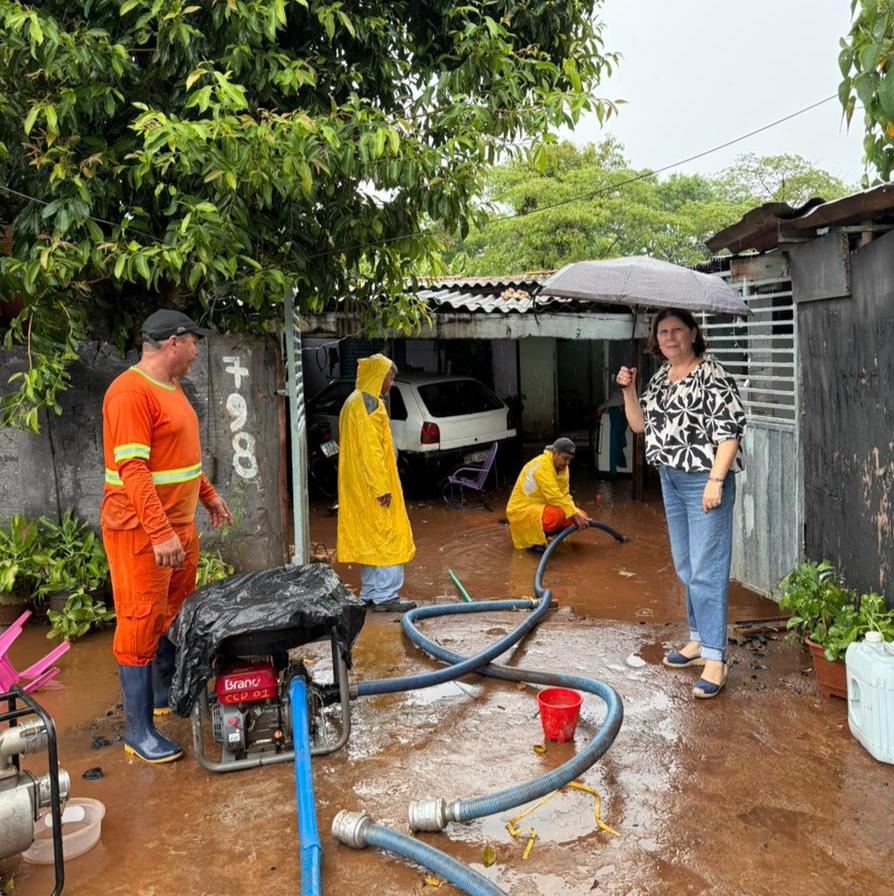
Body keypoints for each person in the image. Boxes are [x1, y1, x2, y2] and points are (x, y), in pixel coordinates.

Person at [101, 309, 232, 763]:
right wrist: (160, 534)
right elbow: (134, 470)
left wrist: (208, 496)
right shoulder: (129, 393)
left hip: (177, 528)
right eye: (194, 342)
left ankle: (163, 694)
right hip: (141, 532)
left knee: (172, 612)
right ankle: (138, 732)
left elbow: (180, 458)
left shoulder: (172, 388)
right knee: (139, 620)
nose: (196, 352)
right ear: (174, 342)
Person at [616, 307, 746, 700]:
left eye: (677, 330)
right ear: (656, 340)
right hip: (670, 479)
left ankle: (715, 658)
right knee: (687, 565)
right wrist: (628, 390)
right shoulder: (661, 377)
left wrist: (715, 480)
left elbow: (730, 432)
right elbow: (639, 425)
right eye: (663, 332)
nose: (670, 338)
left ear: (692, 333)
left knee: (707, 568)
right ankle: (697, 640)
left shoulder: (712, 374)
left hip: (703, 479)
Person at [336, 354, 416, 613]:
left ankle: (371, 592)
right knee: (387, 537)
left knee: (370, 539)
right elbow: (371, 452)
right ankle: (385, 596)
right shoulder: (368, 404)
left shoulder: (354, 400)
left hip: (359, 486)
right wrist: (381, 487)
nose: (391, 383)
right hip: (373, 486)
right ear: (379, 377)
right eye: (389, 378)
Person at [506, 437, 590, 552]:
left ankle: (551, 538)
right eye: (565, 458)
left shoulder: (563, 468)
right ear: (555, 453)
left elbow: (564, 495)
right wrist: (574, 514)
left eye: (570, 460)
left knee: (582, 515)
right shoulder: (541, 466)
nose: (567, 463)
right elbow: (555, 496)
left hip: (542, 508)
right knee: (558, 515)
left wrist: (577, 514)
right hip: (521, 510)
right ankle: (534, 542)